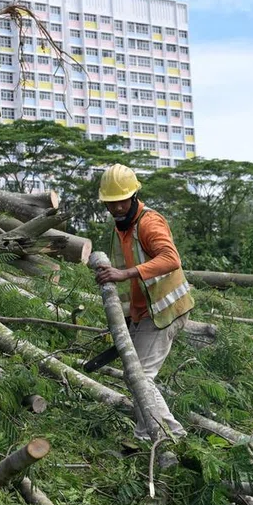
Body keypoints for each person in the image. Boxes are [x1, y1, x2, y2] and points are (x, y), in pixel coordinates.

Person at [94, 164, 194, 442]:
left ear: (133, 196)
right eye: (110, 204)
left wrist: (124, 274)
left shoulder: (149, 223)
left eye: (120, 202)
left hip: (164, 312)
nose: (115, 209)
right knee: (134, 375)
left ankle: (167, 437)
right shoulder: (121, 228)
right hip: (144, 312)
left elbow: (171, 259)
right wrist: (128, 317)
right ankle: (153, 435)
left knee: (142, 377)